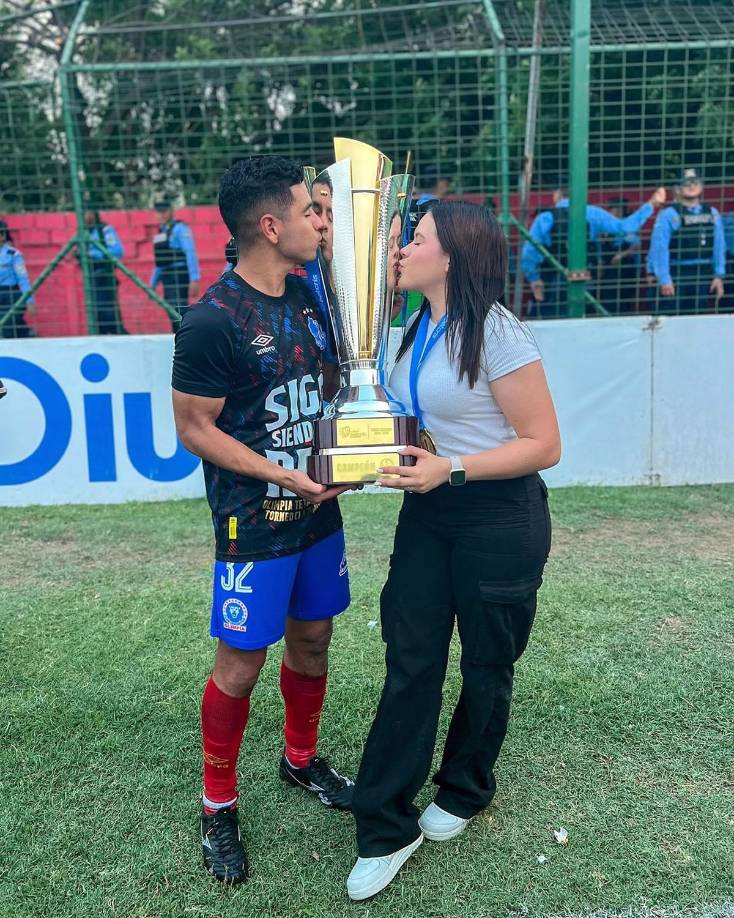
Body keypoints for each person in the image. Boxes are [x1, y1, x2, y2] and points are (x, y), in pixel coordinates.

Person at [347, 201, 561, 901]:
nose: (403, 247)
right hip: (427, 515)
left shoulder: (496, 331)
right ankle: (384, 823)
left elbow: (543, 444)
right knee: (411, 660)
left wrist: (455, 469)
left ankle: (466, 788)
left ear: (453, 256)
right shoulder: (415, 326)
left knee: (486, 664)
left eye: (417, 237)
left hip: (498, 518)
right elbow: (419, 423)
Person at [171, 155, 354, 886]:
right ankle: (218, 803)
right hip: (256, 518)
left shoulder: (314, 294)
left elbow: (335, 377)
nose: (321, 223)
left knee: (314, 641)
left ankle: (300, 759)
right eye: (312, 212)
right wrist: (281, 471)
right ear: (271, 225)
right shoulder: (212, 318)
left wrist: (338, 453)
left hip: (319, 512)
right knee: (241, 664)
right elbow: (195, 428)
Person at [521, 177, 666, 318]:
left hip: (551, 280)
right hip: (584, 280)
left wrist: (534, 279)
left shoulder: (545, 218)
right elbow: (625, 227)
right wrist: (651, 204)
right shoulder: (593, 213)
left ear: (556, 195)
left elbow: (530, 252)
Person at [648, 169, 726, 314]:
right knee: (671, 318)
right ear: (677, 189)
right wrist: (664, 278)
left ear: (702, 186)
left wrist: (718, 275)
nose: (691, 186)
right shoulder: (669, 214)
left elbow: (719, 246)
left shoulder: (712, 213)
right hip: (677, 273)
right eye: (686, 183)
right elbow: (659, 248)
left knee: (698, 317)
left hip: (703, 273)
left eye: (695, 182)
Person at [150, 200, 200, 330]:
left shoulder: (180, 229)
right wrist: (153, 284)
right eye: (158, 213)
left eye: (164, 212)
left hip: (179, 273)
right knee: (172, 309)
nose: (161, 215)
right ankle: (180, 333)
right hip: (167, 276)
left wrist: (194, 278)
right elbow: (160, 261)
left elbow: (190, 253)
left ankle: (186, 333)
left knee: (177, 309)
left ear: (171, 211)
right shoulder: (161, 232)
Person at [82, 209, 127, 334]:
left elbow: (117, 251)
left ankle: (122, 337)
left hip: (104, 276)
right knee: (97, 317)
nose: (86, 216)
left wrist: (93, 254)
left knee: (109, 315)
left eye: (88, 213)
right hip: (91, 278)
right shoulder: (83, 232)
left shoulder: (105, 230)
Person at [597, 197, 642, 313]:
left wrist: (621, 255)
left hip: (624, 267)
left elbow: (636, 246)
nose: (614, 211)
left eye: (617, 208)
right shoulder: (606, 225)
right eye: (612, 209)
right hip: (608, 267)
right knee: (606, 298)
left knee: (623, 300)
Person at [0, 220, 35, 338]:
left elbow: (23, 278)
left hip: (10, 294)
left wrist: (29, 300)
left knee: (8, 326)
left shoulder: (13, 254)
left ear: (2, 236)